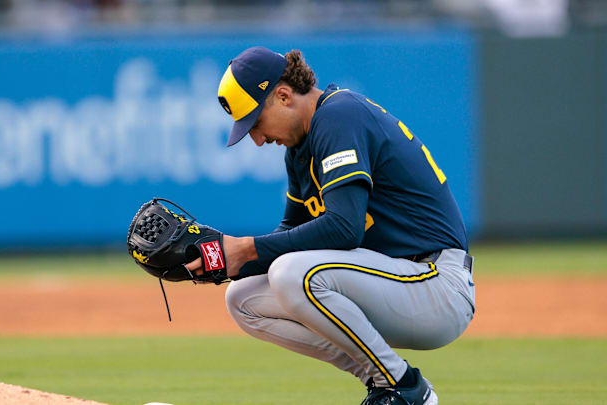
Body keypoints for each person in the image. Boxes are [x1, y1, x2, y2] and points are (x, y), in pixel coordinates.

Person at [186, 46, 476, 405]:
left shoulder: (339, 116)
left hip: (434, 283)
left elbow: (344, 228)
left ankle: (404, 388)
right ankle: (383, 380)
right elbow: (291, 231)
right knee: (242, 298)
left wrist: (247, 248)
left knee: (292, 273)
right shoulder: (299, 149)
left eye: (256, 122)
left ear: (283, 95)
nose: (258, 139)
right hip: (392, 280)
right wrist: (223, 260)